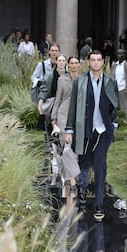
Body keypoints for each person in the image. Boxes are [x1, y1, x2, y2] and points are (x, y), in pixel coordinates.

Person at [65, 50, 119, 222]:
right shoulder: (80, 82)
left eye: (99, 60)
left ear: (103, 62)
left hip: (104, 131)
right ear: (88, 63)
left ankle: (98, 204)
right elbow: (73, 107)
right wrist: (69, 129)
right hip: (85, 129)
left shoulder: (111, 81)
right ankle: (81, 188)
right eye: (93, 60)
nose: (96, 63)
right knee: (84, 162)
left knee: (100, 163)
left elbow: (115, 105)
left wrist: (114, 124)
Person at [50, 56, 81, 206]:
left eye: (76, 63)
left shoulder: (83, 80)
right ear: (68, 65)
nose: (74, 66)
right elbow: (58, 98)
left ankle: (70, 177)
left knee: (74, 151)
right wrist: (53, 117)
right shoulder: (62, 80)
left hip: (77, 119)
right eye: (71, 63)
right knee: (66, 149)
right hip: (63, 116)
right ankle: (72, 182)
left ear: (79, 65)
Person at [39, 54, 67, 186]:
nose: (61, 63)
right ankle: (55, 176)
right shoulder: (51, 75)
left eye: (63, 60)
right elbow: (44, 89)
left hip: (66, 113)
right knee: (54, 145)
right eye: (59, 60)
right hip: (53, 113)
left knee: (65, 144)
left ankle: (64, 175)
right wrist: (41, 103)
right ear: (57, 62)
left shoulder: (68, 76)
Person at [110, 49, 127, 140]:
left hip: (123, 89)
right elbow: (111, 76)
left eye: (121, 53)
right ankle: (113, 127)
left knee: (126, 109)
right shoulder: (114, 65)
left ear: (124, 55)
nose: (119, 55)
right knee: (114, 109)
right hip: (114, 89)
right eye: (118, 53)